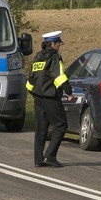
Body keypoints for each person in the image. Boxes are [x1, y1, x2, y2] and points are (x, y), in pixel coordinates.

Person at [26, 30, 73, 168]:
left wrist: (32, 91)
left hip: (38, 97)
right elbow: (59, 76)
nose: (60, 46)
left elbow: (31, 77)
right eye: (58, 43)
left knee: (41, 129)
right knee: (61, 126)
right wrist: (68, 91)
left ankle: (38, 160)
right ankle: (50, 156)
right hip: (51, 97)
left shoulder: (37, 57)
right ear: (52, 44)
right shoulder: (54, 57)